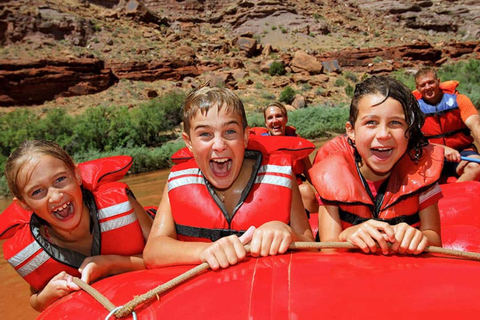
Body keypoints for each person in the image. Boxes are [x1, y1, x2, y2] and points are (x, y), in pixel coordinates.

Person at [143, 86, 314, 270]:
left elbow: (311, 248)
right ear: (189, 142)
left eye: (230, 132)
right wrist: (205, 251)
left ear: (245, 137)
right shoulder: (176, 182)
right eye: (205, 134)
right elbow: (153, 251)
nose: (219, 145)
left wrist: (288, 233)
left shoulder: (282, 177)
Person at [0, 140, 153, 311]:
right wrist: (47, 295)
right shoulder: (31, 249)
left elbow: (161, 256)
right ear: (24, 205)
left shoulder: (122, 205)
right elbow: (35, 299)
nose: (56, 197)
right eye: (37, 191)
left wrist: (111, 264)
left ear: (77, 175)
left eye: (60, 179)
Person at [310, 76, 443, 255]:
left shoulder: (422, 171)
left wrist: (420, 237)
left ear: (409, 132)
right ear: (351, 131)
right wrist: (347, 235)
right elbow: (329, 250)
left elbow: (434, 238)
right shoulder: (331, 172)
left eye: (395, 123)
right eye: (371, 122)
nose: (383, 134)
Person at [250, 102, 318, 215]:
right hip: (270, 190)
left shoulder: (297, 143)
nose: (275, 120)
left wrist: (326, 193)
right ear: (266, 123)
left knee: (306, 191)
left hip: (296, 189)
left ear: (286, 119)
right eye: (270, 118)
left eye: (279, 116)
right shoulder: (258, 145)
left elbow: (309, 173)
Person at [414, 67, 480, 182]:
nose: (427, 87)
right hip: (431, 154)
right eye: (423, 85)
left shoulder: (459, 99)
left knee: (476, 167)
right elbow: (410, 140)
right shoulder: (413, 110)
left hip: (462, 153)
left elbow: (475, 124)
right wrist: (441, 149)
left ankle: (453, 194)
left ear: (438, 82)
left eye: (431, 82)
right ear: (417, 88)